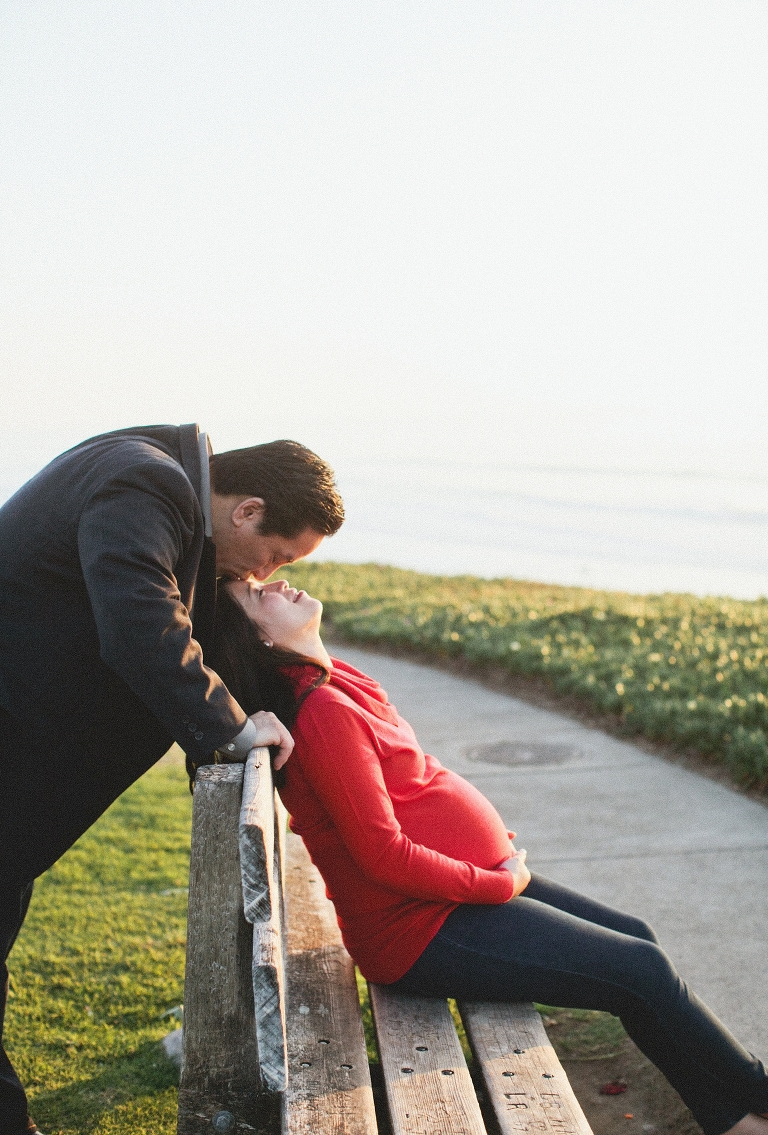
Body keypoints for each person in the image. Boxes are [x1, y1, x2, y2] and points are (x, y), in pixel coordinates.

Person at [207, 575, 768, 1135]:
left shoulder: (335, 678)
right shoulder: (321, 711)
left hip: (452, 894)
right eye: (260, 594)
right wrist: (493, 879)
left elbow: (411, 786)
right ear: (260, 640)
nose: (277, 581)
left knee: (639, 938)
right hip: (416, 930)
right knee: (639, 972)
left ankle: (748, 1100)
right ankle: (744, 1119)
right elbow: (384, 856)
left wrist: (481, 841)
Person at [0, 423, 344, 1135]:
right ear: (246, 510)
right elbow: (139, 623)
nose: (260, 575)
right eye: (274, 555)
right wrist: (231, 728)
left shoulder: (166, 490)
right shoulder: (146, 482)